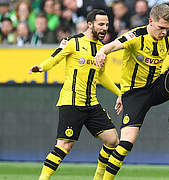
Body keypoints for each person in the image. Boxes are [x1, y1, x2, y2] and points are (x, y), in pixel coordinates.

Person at [94, 4, 169, 180]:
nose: (163, 32)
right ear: (150, 22)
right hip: (134, 95)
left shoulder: (168, 39)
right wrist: (101, 51)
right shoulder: (135, 36)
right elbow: (113, 45)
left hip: (156, 87)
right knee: (125, 144)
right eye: (161, 27)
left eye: (167, 28)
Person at [28, 9, 121, 180]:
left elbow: (101, 75)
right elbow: (55, 57)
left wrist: (120, 93)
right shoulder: (72, 42)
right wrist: (42, 67)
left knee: (113, 140)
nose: (105, 28)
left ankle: (98, 178)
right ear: (90, 24)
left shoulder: (102, 49)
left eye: (107, 25)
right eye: (101, 24)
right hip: (71, 102)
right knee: (64, 145)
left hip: (91, 103)